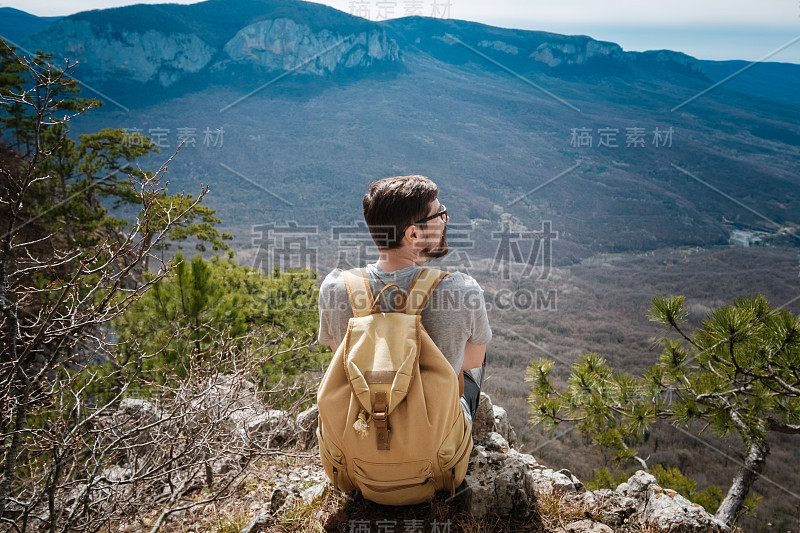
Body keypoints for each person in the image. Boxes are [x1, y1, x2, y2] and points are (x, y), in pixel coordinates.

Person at [317, 174, 491, 424]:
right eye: (439, 213)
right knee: (476, 359)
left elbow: (341, 358)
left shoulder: (335, 289)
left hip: (358, 435)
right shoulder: (463, 291)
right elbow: (472, 360)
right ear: (413, 235)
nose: (446, 219)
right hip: (431, 444)